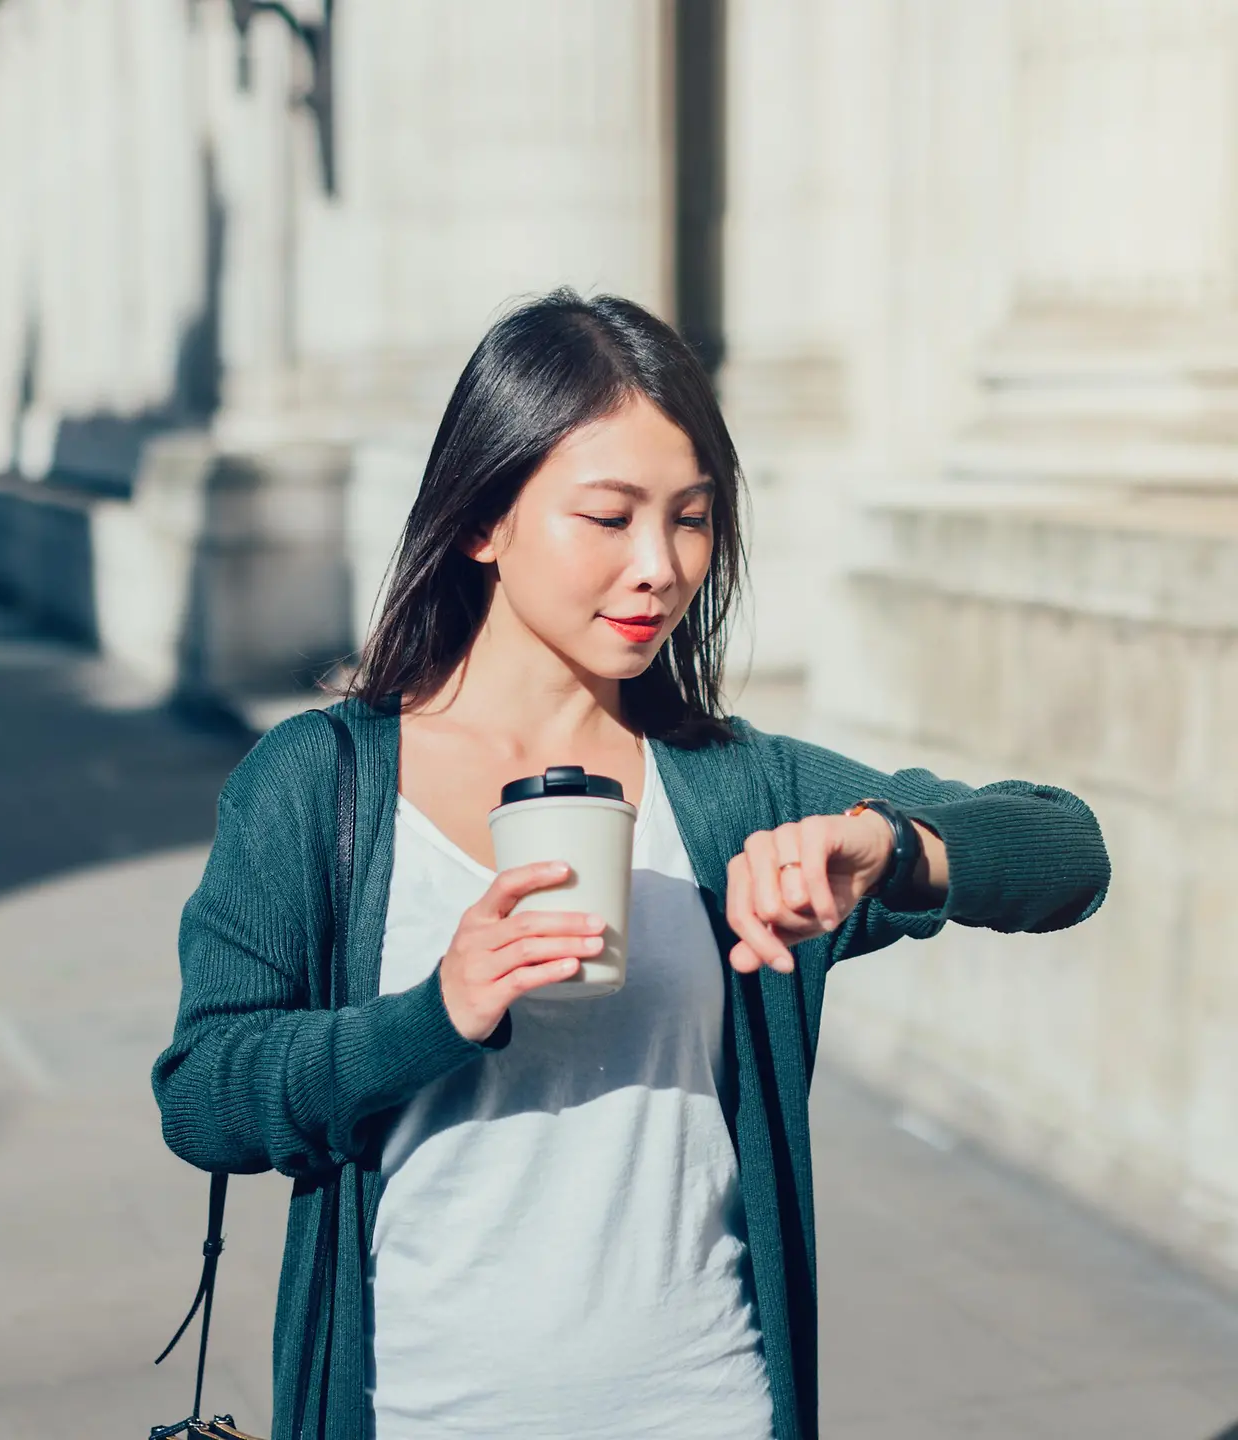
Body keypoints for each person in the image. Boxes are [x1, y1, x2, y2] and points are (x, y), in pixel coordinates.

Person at [152, 291, 1110, 1440]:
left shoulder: (732, 787)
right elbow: (205, 1098)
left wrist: (897, 851)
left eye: (692, 519)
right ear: (481, 518)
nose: (659, 566)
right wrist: (432, 1014)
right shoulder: (320, 783)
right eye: (608, 517)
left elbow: (1069, 851)